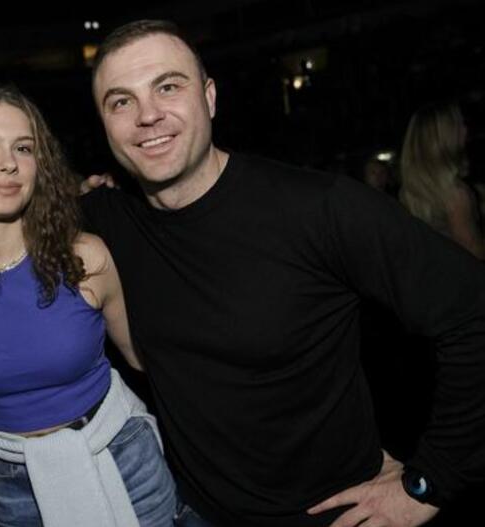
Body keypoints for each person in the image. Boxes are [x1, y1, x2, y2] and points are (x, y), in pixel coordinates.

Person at [82, 19, 485, 527]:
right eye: (121, 101)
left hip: (333, 513)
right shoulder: (105, 219)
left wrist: (432, 482)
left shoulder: (319, 208)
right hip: (193, 512)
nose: (148, 115)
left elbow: (473, 311)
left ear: (209, 97)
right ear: (105, 125)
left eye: (168, 87)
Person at [0, 85, 176, 527]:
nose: (9, 163)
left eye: (23, 147)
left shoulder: (84, 257)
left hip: (122, 459)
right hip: (13, 481)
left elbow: (146, 359)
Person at [399, 101, 484, 259]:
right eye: (460, 124)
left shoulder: (412, 190)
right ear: (447, 135)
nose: (466, 130)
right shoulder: (455, 194)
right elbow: (473, 252)